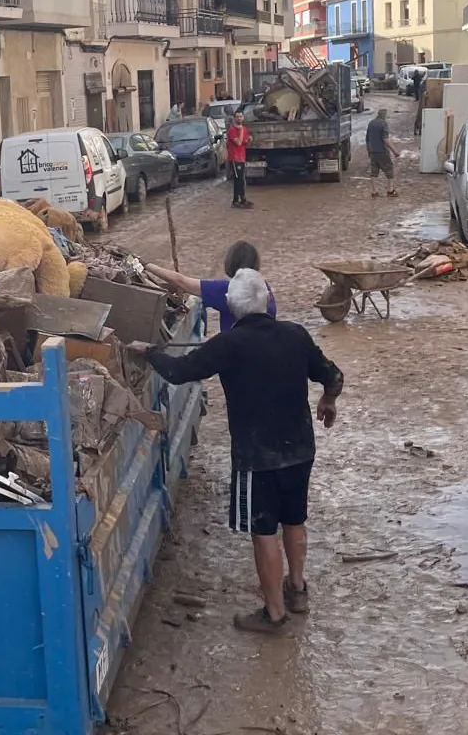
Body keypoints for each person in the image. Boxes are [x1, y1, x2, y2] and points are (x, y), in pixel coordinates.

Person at [126, 269, 344, 635]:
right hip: (300, 449)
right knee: (294, 521)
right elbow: (333, 375)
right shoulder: (294, 334)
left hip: (256, 458)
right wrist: (328, 400)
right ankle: (298, 588)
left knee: (264, 533)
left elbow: (179, 373)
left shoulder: (228, 344)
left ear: (230, 304)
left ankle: (274, 614)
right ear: (267, 301)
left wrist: (149, 352)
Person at [145, 240, 276, 331]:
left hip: (236, 357)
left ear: (230, 263)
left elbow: (181, 282)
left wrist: (145, 265)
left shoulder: (227, 290)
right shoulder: (264, 288)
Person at [365, 109, 397, 198]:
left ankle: (374, 192)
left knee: (374, 172)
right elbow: (386, 140)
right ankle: (390, 191)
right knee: (389, 170)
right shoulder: (383, 124)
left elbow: (367, 140)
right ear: (384, 115)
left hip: (373, 152)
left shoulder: (371, 123)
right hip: (382, 151)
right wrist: (395, 151)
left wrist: (369, 151)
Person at [226, 110, 252, 209]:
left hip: (242, 157)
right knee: (238, 180)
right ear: (234, 118)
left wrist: (249, 139)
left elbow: (244, 142)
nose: (239, 118)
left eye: (241, 116)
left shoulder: (244, 129)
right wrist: (241, 131)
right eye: (237, 117)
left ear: (243, 118)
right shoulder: (232, 130)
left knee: (241, 179)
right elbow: (238, 143)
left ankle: (241, 199)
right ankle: (237, 200)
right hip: (234, 158)